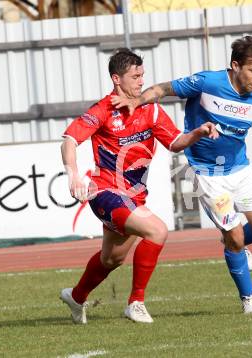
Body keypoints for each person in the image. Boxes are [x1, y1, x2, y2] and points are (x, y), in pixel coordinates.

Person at [112, 36, 252, 314]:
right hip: (207, 174)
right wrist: (137, 101)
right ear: (235, 65)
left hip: (240, 169)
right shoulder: (207, 82)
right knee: (237, 237)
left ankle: (232, 242)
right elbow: (163, 89)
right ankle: (249, 300)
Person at [60, 48, 218, 324]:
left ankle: (76, 296)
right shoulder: (103, 110)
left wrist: (197, 133)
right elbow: (70, 140)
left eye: (142, 75)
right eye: (135, 76)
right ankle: (136, 303)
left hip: (133, 197)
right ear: (116, 79)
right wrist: (72, 174)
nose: (141, 82)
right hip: (105, 191)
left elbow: (174, 143)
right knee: (157, 230)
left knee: (113, 259)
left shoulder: (151, 110)